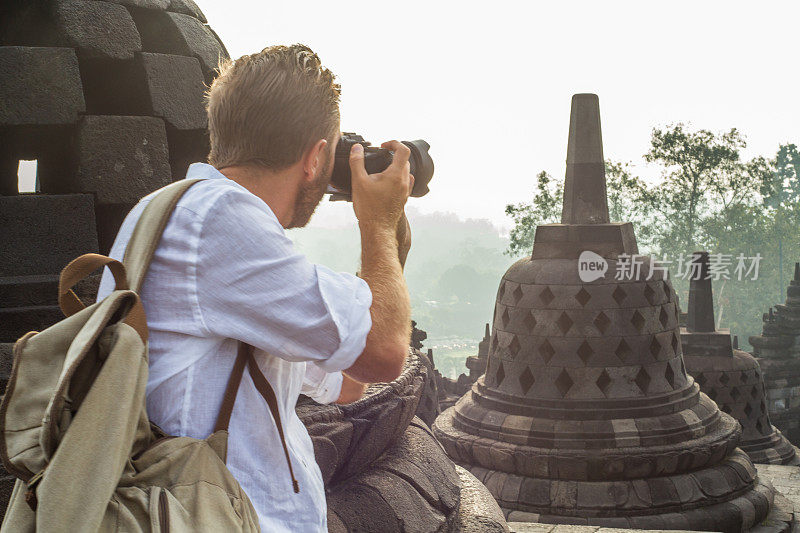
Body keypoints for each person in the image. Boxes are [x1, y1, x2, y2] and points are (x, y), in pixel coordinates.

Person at [96, 44, 412, 532]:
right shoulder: (220, 221)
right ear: (316, 159)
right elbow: (386, 352)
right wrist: (378, 226)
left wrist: (391, 245)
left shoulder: (170, 214)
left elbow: (351, 383)